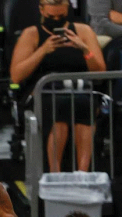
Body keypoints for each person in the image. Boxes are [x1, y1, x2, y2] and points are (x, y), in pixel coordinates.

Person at [9, 0, 106, 172]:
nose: (56, 20)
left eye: (60, 16)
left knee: (85, 105)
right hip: (44, 94)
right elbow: (16, 76)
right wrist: (43, 50)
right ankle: (55, 173)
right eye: (51, 16)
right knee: (60, 106)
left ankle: (83, 174)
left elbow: (99, 70)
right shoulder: (31, 34)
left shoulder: (83, 31)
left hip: (79, 91)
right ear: (41, 10)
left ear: (67, 10)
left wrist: (84, 49)